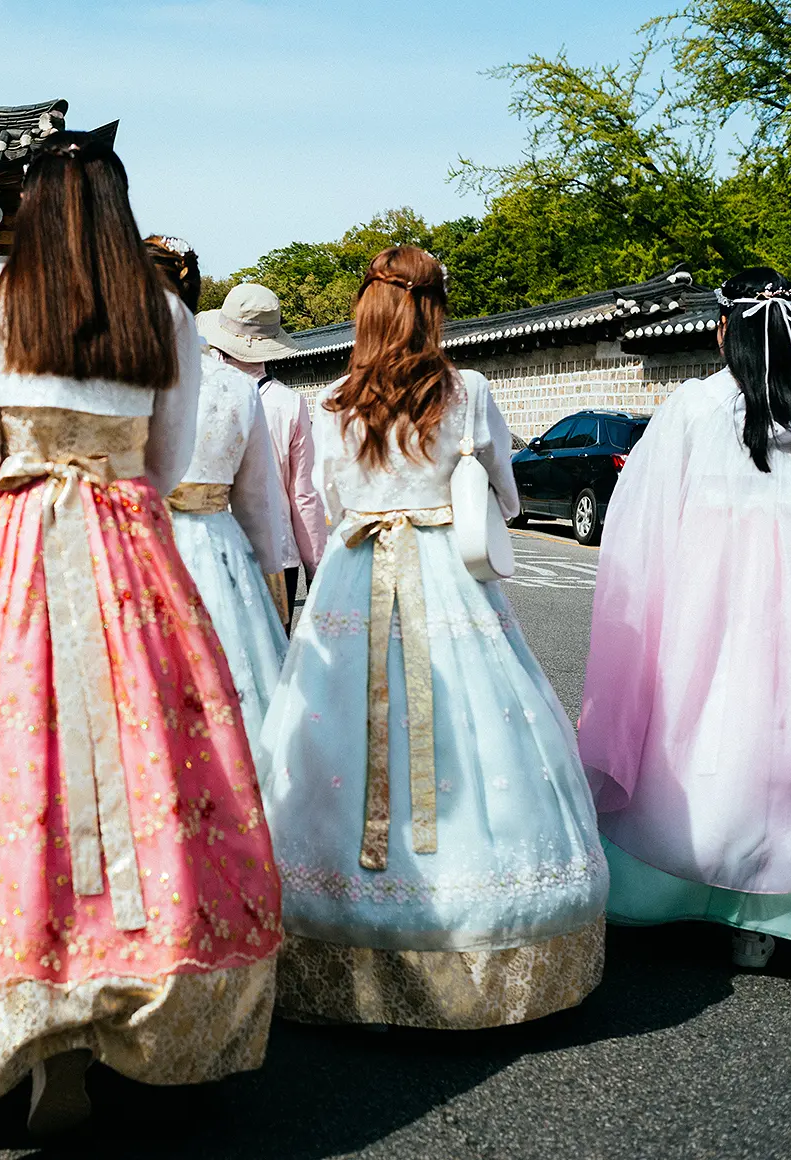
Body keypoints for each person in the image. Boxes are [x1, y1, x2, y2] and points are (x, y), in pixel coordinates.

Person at [0, 133, 282, 1135]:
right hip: (130, 548)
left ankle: (13, 995)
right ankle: (130, 994)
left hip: (19, 541)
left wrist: (37, 482)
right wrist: (107, 489)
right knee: (150, 762)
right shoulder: (159, 311)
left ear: (28, 204)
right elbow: (163, 466)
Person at [256, 246, 606, 1029]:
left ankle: (334, 930)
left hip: (354, 573)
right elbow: (506, 502)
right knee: (468, 736)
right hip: (448, 573)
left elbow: (328, 497)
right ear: (434, 308)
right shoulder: (469, 392)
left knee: (339, 738)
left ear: (367, 310)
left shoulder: (335, 401)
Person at [578, 267, 791, 969]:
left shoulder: (694, 407)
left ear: (722, 330)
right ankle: (774, 908)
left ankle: (686, 889)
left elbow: (645, 520)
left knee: (706, 734)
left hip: (707, 609)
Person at [145, 234, 290, 738]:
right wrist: (270, 582)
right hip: (216, 546)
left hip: (138, 541)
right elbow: (257, 503)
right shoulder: (236, 388)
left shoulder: (116, 376)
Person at [199, 284, 325, 626]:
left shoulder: (197, 394)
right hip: (276, 553)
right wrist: (316, 566)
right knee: (275, 659)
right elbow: (304, 495)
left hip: (211, 544)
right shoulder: (289, 404)